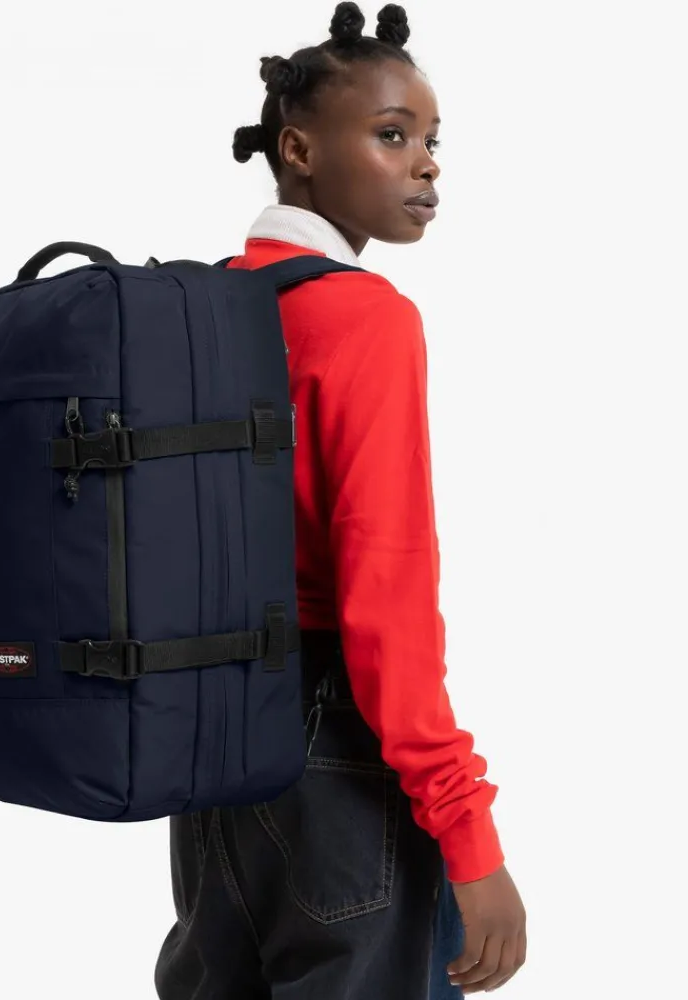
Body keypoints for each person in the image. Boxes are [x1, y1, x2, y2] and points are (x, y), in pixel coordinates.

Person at [154, 4, 526, 997]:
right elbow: (385, 602)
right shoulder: (364, 318)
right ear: (299, 149)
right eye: (392, 134)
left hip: (210, 748)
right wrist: (467, 832)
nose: (426, 164)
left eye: (431, 140)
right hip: (339, 754)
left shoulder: (202, 311)